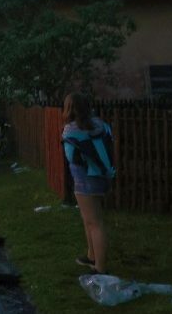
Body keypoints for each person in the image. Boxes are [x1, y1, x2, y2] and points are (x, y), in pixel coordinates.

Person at [62, 92, 115, 274]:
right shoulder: (101, 125)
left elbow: (71, 157)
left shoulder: (71, 130)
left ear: (69, 109)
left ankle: (100, 267)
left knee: (95, 222)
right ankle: (91, 255)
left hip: (84, 178)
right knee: (89, 220)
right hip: (103, 175)